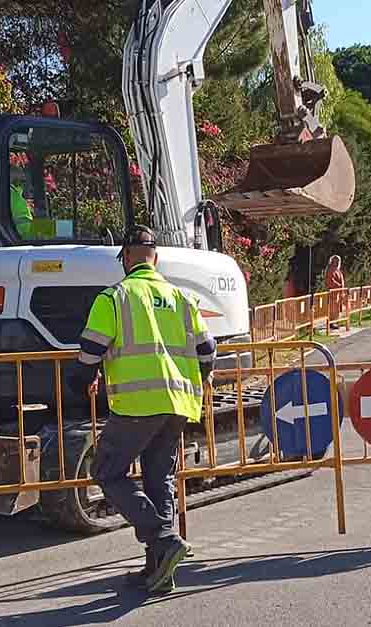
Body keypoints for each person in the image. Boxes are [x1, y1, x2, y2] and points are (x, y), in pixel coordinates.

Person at [70, 225, 215, 594]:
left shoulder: (115, 297)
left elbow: (91, 349)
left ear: (126, 257)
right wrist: (203, 378)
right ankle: (159, 572)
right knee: (159, 478)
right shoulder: (181, 298)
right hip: (179, 402)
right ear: (156, 258)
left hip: (138, 403)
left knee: (107, 470)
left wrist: (82, 379)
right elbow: (207, 350)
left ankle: (162, 538)